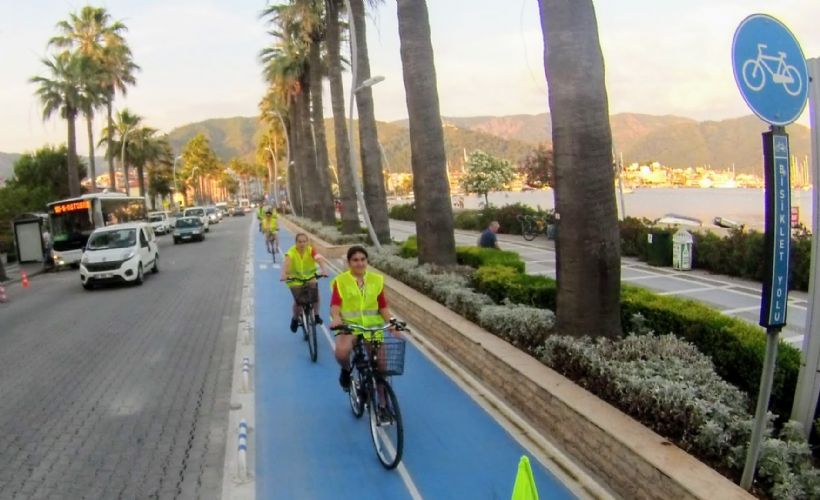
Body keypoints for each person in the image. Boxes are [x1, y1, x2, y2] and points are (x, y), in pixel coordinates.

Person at [330, 245, 396, 391]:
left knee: (381, 366)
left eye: (362, 259)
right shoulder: (341, 281)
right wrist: (336, 318)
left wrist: (392, 323)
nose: (359, 263)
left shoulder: (376, 280)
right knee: (341, 353)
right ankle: (346, 370)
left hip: (372, 327)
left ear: (367, 261)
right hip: (350, 325)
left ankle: (383, 401)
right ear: (349, 262)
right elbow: (335, 304)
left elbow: (383, 306)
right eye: (355, 260)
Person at [280, 233, 329, 332]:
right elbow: (286, 264)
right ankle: (295, 319)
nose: (302, 244)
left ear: (307, 242)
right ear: (296, 243)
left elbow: (319, 259)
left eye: (304, 241)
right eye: (300, 242)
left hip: (310, 277)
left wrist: (324, 270)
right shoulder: (291, 253)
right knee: (298, 302)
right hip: (295, 279)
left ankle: (316, 315)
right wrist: (284, 275)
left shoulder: (311, 250)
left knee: (316, 295)